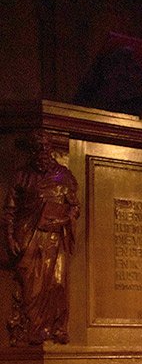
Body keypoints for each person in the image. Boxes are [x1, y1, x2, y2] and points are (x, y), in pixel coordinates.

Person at [3, 130, 79, 344]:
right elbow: (9, 210)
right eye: (38, 149)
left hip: (55, 240)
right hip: (29, 237)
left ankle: (55, 328)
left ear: (50, 149)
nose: (42, 153)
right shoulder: (22, 175)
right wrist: (10, 238)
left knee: (57, 285)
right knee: (31, 288)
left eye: (45, 148)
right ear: (32, 152)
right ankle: (30, 329)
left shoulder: (64, 175)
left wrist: (65, 218)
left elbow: (75, 206)